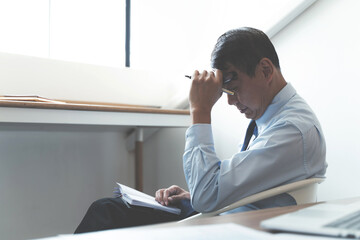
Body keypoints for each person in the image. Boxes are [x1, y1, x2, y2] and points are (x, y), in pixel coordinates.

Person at [74, 27, 327, 233]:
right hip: (226, 215)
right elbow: (225, 189)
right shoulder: (273, 117)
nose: (229, 100)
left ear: (265, 70)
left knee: (106, 214)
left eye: (232, 86)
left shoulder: (293, 131)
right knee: (109, 210)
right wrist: (190, 196)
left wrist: (200, 111)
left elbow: (208, 195)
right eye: (224, 91)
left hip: (234, 227)